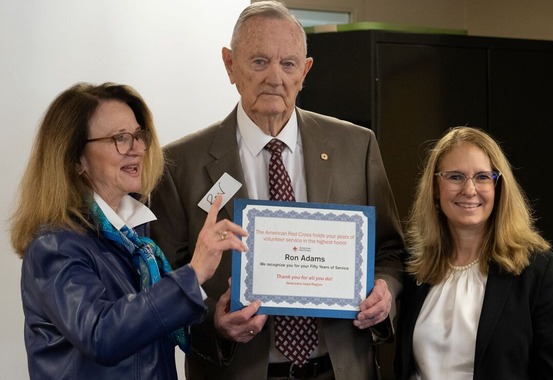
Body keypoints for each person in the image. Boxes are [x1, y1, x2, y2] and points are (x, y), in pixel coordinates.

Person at [150, 1, 405, 379]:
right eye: (258, 61)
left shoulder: (357, 145)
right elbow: (162, 283)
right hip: (237, 369)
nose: (275, 77)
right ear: (229, 65)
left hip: (340, 369)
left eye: (288, 64)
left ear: (305, 71)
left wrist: (385, 292)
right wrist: (214, 326)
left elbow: (389, 250)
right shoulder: (178, 165)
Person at [10, 82, 248, 380]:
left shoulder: (137, 234)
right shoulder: (55, 245)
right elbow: (102, 335)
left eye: (138, 135)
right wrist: (193, 273)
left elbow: (149, 329)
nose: (138, 149)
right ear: (75, 159)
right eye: (120, 138)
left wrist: (217, 324)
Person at [394, 126, 553, 379]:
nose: (469, 189)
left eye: (482, 177)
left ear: (499, 187)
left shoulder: (538, 270)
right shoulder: (414, 267)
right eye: (455, 177)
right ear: (435, 187)